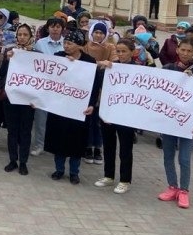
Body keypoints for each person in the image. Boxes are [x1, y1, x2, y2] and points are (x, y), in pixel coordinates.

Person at [158, 38, 193, 208]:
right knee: (168, 155)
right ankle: (172, 186)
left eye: (190, 51)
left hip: (189, 124)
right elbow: (158, 94)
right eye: (183, 50)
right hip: (169, 121)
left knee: (184, 158)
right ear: (177, 50)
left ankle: (184, 191)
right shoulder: (168, 69)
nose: (185, 53)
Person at [45, 30, 100, 185]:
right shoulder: (58, 57)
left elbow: (94, 85)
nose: (66, 46)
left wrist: (92, 104)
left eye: (70, 43)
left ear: (79, 46)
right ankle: (59, 169)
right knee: (59, 138)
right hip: (60, 106)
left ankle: (74, 172)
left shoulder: (89, 61)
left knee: (77, 140)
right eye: (65, 43)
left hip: (79, 107)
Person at [96, 39, 138, 194]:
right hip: (109, 112)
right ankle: (108, 175)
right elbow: (99, 84)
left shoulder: (139, 70)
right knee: (108, 145)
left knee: (125, 148)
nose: (120, 54)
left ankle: (125, 180)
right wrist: (102, 68)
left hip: (127, 115)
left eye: (124, 51)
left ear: (132, 52)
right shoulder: (111, 67)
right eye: (118, 51)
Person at [0, 23, 36, 174]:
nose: (22, 37)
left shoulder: (37, 54)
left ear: (31, 37)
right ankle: (13, 159)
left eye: (25, 35)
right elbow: (2, 73)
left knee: (25, 131)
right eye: (20, 34)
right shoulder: (10, 51)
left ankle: (23, 162)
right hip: (11, 96)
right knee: (12, 130)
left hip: (28, 99)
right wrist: (7, 59)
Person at [30, 16, 65, 156]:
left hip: (60, 87)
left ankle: (55, 145)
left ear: (62, 29)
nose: (55, 29)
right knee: (41, 118)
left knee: (57, 118)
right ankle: (39, 144)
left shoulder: (67, 44)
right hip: (43, 86)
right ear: (47, 28)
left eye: (58, 26)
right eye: (52, 26)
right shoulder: (40, 43)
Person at [83, 22, 117, 164]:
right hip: (87, 86)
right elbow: (83, 62)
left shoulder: (110, 47)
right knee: (88, 120)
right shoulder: (85, 46)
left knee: (99, 120)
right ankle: (88, 147)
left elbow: (114, 61)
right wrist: (100, 63)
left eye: (101, 33)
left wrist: (103, 63)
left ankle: (98, 148)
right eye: (96, 32)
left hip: (103, 87)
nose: (98, 35)